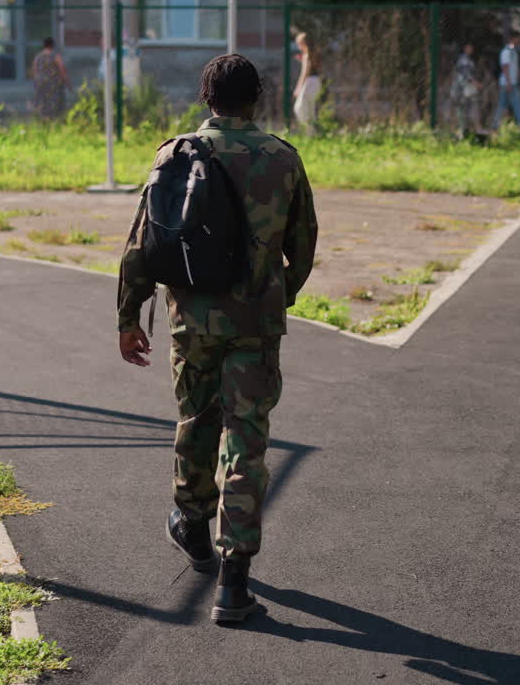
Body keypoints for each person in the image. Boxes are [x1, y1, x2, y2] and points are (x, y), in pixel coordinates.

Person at [117, 53, 318, 624]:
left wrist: (130, 318)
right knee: (246, 441)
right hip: (255, 325)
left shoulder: (175, 153)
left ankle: (191, 524)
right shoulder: (282, 158)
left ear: (206, 98)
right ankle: (234, 582)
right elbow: (303, 244)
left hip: (192, 321)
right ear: (257, 99)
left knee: (197, 421)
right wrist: (277, 295)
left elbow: (142, 242)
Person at [491, 31, 520, 129]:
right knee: (518, 104)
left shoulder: (513, 51)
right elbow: (505, 67)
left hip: (509, 82)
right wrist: (509, 82)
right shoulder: (506, 51)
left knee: (502, 105)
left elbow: (515, 68)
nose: (519, 41)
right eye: (518, 38)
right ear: (513, 38)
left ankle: (495, 125)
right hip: (509, 83)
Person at [449, 43, 482, 139]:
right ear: (465, 48)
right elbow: (466, 75)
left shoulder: (467, 60)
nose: (471, 49)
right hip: (461, 91)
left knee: (462, 114)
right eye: (469, 47)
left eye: (471, 47)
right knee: (462, 113)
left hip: (464, 92)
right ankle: (464, 132)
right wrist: (475, 83)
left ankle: (463, 132)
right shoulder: (464, 60)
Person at [31, 37, 69, 120]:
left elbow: (34, 70)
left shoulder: (38, 57)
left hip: (41, 84)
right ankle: (55, 121)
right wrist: (68, 84)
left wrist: (36, 83)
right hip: (54, 85)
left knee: (43, 104)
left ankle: (43, 121)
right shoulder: (55, 56)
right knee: (55, 105)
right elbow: (62, 69)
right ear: (52, 45)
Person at [292, 32, 322, 134]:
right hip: (316, 81)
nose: (298, 47)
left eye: (299, 44)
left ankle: (309, 131)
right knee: (310, 109)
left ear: (303, 43)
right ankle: (313, 133)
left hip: (309, 82)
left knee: (299, 107)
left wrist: (298, 88)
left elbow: (305, 73)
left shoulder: (307, 55)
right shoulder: (314, 53)